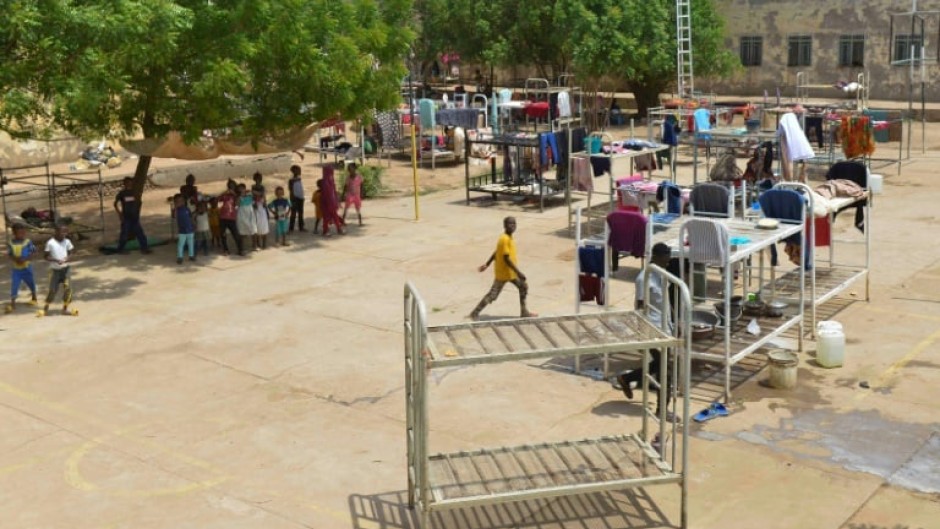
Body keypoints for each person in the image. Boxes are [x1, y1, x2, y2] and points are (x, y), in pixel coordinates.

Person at [612, 242, 676, 419]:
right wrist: (641, 332)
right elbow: (640, 308)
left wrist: (674, 323)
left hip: (665, 326)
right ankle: (662, 410)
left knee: (660, 364)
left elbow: (665, 300)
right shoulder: (644, 279)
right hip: (650, 327)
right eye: (665, 260)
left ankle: (627, 378)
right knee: (665, 367)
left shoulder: (662, 274)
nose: (667, 263)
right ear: (655, 257)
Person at [470, 216, 537, 320]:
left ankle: (524, 312)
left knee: (523, 286)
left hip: (510, 273)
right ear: (504, 226)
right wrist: (518, 272)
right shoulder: (504, 239)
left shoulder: (507, 237)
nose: (513, 226)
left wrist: (487, 264)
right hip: (503, 273)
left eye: (514, 224)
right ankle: (475, 313)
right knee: (493, 295)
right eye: (510, 224)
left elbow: (497, 252)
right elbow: (506, 258)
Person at [39, 224, 77, 317]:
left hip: (66, 270)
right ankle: (46, 307)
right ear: (56, 232)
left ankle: (64, 309)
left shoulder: (67, 241)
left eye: (66, 232)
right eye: (62, 231)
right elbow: (45, 256)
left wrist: (68, 258)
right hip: (55, 271)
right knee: (52, 290)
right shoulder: (50, 243)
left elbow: (72, 252)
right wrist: (56, 260)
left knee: (68, 289)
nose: (64, 234)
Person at [114, 177, 151, 254]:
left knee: (140, 233)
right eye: (127, 183)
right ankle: (120, 249)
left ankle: (144, 248)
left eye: (130, 182)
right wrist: (120, 214)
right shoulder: (122, 193)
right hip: (126, 217)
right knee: (124, 234)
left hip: (134, 217)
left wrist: (137, 212)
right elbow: (115, 204)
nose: (129, 184)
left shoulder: (135, 192)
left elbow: (139, 202)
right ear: (124, 184)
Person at [6, 224, 38, 313]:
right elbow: (9, 254)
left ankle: (34, 297)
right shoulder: (10, 243)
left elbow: (34, 252)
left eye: (23, 233)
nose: (22, 235)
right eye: (19, 233)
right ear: (14, 233)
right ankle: (12, 303)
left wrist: (26, 258)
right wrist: (16, 259)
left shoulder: (28, 242)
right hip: (16, 269)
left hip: (27, 268)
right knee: (14, 285)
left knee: (31, 282)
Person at [217, 180, 243, 256]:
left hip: (231, 218)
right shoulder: (225, 195)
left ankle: (240, 249)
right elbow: (217, 199)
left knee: (236, 234)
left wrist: (234, 194)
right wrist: (225, 192)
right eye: (229, 186)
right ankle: (226, 249)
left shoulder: (236, 196)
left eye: (232, 186)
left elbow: (237, 204)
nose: (230, 187)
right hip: (223, 217)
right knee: (223, 234)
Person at [320, 166, 345, 236]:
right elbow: (327, 194)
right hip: (326, 203)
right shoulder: (325, 182)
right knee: (326, 218)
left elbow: (333, 192)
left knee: (335, 216)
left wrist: (337, 201)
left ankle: (339, 229)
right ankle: (325, 231)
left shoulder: (331, 181)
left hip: (332, 203)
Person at [174, 194, 196, 264]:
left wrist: (194, 224)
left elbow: (191, 217)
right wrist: (175, 208)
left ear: (184, 201)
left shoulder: (187, 209)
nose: (180, 203)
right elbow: (175, 217)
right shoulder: (177, 210)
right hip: (182, 230)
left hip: (190, 229)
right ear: (175, 203)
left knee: (191, 243)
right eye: (177, 202)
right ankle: (180, 257)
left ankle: (191, 255)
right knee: (181, 244)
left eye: (181, 201)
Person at [236, 183, 257, 251]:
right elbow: (237, 204)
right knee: (242, 232)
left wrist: (250, 191)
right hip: (242, 215)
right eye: (240, 189)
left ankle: (254, 246)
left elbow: (254, 202)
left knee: (253, 230)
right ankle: (242, 248)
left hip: (250, 214)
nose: (241, 190)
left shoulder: (250, 196)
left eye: (243, 188)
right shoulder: (239, 197)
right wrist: (240, 196)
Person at [288, 165, 306, 232]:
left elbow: (300, 189)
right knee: (293, 213)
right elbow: (290, 189)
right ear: (294, 171)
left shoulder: (298, 179)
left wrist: (302, 196)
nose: (300, 171)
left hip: (300, 198)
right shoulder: (291, 180)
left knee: (301, 213)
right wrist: (293, 198)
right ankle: (291, 228)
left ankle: (301, 227)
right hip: (294, 198)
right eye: (298, 170)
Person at [253, 178, 269, 250]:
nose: (258, 181)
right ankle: (258, 243)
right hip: (256, 210)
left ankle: (264, 244)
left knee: (264, 226)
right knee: (256, 226)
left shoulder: (261, 190)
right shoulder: (253, 188)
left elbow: (264, 200)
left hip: (262, 210)